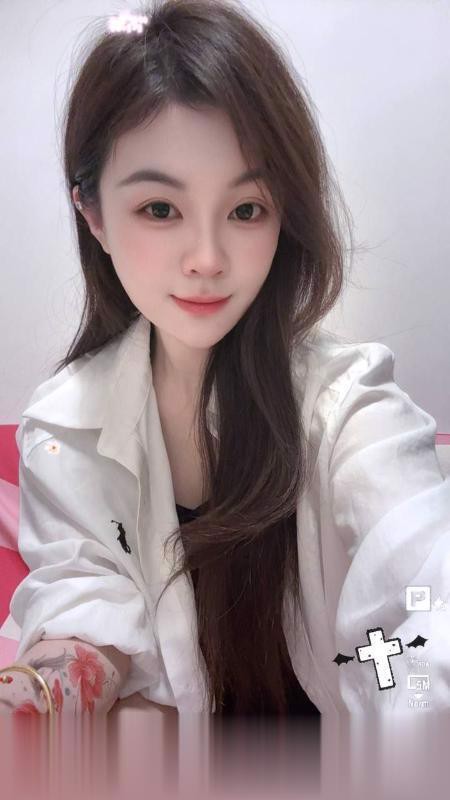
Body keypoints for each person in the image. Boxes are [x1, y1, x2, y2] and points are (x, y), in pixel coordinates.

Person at [1, 0, 449, 718]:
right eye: (160, 209)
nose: (208, 259)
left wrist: (412, 723)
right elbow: (84, 602)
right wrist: (46, 694)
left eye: (246, 209)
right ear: (92, 213)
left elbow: (424, 580)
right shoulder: (64, 426)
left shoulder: (349, 403)